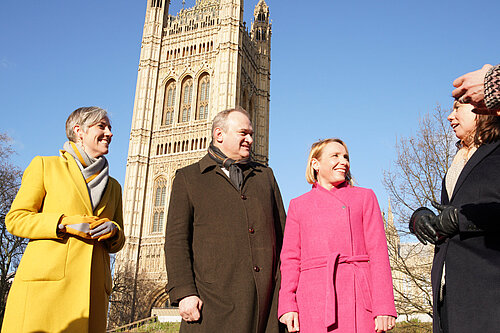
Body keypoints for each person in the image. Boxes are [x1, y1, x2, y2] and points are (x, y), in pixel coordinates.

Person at [1, 107, 125, 333]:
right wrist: (62, 223)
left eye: (110, 128)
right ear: (79, 131)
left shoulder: (114, 186)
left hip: (92, 292)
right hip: (47, 290)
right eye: (102, 126)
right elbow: (16, 219)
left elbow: (119, 240)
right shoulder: (46, 166)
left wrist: (113, 231)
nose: (109, 132)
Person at [165, 107, 286, 333]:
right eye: (243, 133)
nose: (250, 139)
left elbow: (283, 237)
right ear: (219, 135)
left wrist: (286, 293)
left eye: (251, 133)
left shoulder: (265, 176)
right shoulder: (189, 178)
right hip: (211, 305)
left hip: (265, 306)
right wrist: (184, 292)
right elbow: (176, 241)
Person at [278, 138, 397, 333]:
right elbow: (290, 260)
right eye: (335, 156)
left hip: (358, 298)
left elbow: (379, 254)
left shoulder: (365, 197)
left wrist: (384, 306)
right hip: (312, 300)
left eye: (346, 157)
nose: (344, 161)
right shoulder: (298, 205)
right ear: (315, 164)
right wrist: (287, 304)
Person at [409, 99, 500, 332]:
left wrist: (460, 219)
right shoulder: (459, 157)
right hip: (449, 292)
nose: (450, 116)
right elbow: (450, 207)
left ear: (482, 109)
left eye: (458, 107)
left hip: (489, 293)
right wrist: (421, 217)